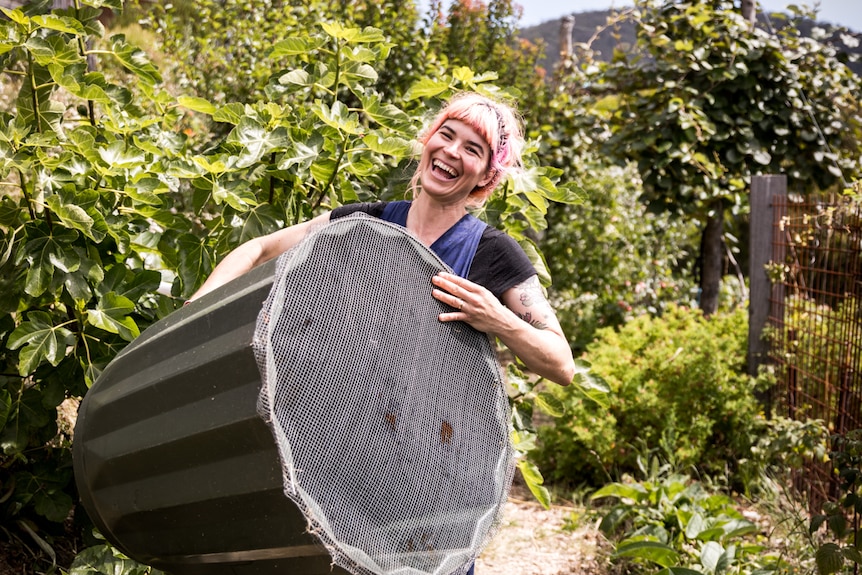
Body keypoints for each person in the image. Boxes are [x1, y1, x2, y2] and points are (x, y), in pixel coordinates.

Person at [189, 91, 575, 388]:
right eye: (446, 135)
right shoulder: (361, 222)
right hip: (325, 409)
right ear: (428, 142)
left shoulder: (491, 253)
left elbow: (561, 365)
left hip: (416, 447)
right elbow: (258, 249)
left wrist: (499, 319)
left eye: (473, 149)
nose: (451, 151)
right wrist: (196, 311)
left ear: (486, 178)